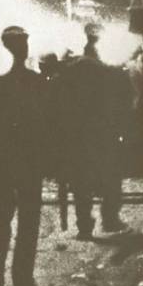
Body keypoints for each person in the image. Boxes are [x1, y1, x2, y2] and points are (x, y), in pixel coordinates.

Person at [0, 26, 47, 286]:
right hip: (27, 158)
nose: (24, 50)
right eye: (21, 45)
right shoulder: (36, 82)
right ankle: (22, 274)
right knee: (28, 218)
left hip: (0, 159)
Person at [54, 39, 132, 238]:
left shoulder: (69, 71)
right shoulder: (110, 70)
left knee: (80, 180)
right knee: (111, 176)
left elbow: (58, 103)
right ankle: (110, 219)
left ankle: (84, 226)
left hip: (77, 134)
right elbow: (124, 101)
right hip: (104, 132)